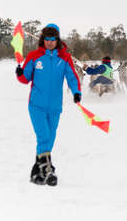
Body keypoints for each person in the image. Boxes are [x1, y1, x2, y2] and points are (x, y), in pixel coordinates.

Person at [16, 23, 82, 186]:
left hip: (55, 107)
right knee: (44, 136)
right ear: (43, 39)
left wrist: (76, 92)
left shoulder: (64, 58)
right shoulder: (34, 56)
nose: (50, 42)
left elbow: (72, 77)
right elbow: (25, 78)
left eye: (53, 39)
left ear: (57, 40)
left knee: (49, 139)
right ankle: (47, 170)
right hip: (36, 105)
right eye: (47, 39)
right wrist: (20, 73)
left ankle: (37, 172)